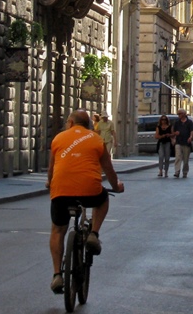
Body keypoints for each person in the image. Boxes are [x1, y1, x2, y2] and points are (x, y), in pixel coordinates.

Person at [47, 110, 125, 294]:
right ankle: (94, 234)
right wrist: (117, 186)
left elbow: (51, 168)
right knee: (103, 198)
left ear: (71, 123)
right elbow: (109, 169)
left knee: (58, 230)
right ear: (88, 125)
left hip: (61, 191)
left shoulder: (58, 139)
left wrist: (49, 183)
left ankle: (57, 275)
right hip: (89, 190)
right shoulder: (96, 139)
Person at [171, 109, 193, 178]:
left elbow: (192, 131)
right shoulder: (177, 123)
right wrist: (175, 134)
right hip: (178, 142)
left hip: (186, 142)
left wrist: (190, 137)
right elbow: (173, 132)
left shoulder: (189, 122)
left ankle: (185, 172)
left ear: (184, 114)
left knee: (186, 159)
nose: (178, 115)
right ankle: (177, 171)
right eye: (178, 114)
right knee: (178, 157)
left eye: (179, 113)